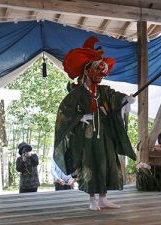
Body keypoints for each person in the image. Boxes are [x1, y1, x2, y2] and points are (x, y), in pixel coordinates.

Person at [53, 36, 136, 211]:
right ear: (87, 71)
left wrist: (125, 99)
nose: (100, 76)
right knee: (90, 163)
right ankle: (92, 199)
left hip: (104, 134)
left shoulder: (104, 91)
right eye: (96, 70)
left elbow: (115, 97)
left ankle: (104, 198)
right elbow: (64, 112)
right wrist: (79, 118)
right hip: (87, 135)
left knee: (107, 162)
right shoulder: (76, 93)